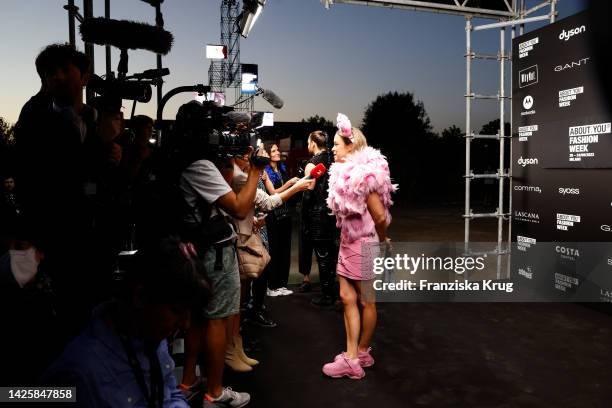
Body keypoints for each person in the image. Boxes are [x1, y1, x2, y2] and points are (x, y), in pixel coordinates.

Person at [42, 237, 209, 407]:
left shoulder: (152, 335)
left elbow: (170, 393)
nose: (185, 324)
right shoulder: (80, 372)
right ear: (140, 297)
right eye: (177, 311)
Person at [175, 101, 264, 407]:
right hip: (214, 251)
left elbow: (220, 187)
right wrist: (256, 171)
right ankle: (214, 391)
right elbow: (239, 206)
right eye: (216, 130)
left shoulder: (182, 158)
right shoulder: (199, 165)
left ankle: (188, 381)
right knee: (216, 319)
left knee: (199, 319)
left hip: (198, 248)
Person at [322, 114, 397, 380]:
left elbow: (379, 216)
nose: (332, 148)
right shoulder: (345, 173)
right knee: (351, 297)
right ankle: (360, 353)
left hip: (362, 244)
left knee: (363, 300)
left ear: (351, 146)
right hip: (351, 243)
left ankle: (353, 359)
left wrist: (383, 239)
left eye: (336, 144)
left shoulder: (365, 175)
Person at [233, 152, 314, 330]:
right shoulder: (240, 176)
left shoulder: (254, 173)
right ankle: (246, 317)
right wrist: (295, 187)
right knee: (250, 274)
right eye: (248, 157)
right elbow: (264, 201)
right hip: (245, 233)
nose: (255, 159)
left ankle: (251, 312)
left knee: (258, 271)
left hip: (256, 225)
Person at [299, 131, 340, 308]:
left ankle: (327, 295)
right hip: (333, 213)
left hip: (317, 216)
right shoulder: (334, 160)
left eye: (308, 142)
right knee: (332, 254)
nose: (307, 146)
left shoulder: (312, 164)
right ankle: (335, 291)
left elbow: (308, 193)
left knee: (323, 256)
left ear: (314, 144)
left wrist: (304, 215)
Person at [263, 142, 299, 296]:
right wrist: (290, 185)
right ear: (268, 153)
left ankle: (282, 284)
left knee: (285, 249)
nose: (278, 152)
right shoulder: (265, 171)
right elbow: (272, 193)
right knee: (274, 249)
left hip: (285, 214)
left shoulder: (281, 168)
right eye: (274, 150)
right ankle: (272, 286)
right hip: (273, 215)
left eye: (277, 150)